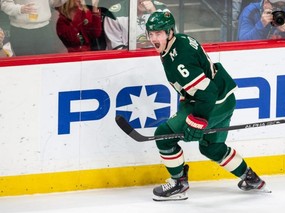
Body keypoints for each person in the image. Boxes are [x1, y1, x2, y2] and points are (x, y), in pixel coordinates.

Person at [145, 11, 268, 201]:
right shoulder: (180, 40)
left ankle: (178, 182)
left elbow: (207, 92)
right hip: (224, 98)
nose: (154, 38)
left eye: (159, 33)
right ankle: (251, 178)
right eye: (151, 34)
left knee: (163, 136)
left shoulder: (179, 59)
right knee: (211, 147)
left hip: (213, 103)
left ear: (170, 32)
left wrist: (198, 119)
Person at [0, 0, 68, 56]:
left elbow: (52, 2)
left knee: (45, 64)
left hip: (44, 30)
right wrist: (20, 9)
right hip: (21, 31)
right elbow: (4, 4)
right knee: (24, 65)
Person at [104, 0, 169, 50]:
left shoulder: (162, 9)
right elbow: (116, 49)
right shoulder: (114, 14)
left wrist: (154, 13)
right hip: (128, 62)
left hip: (157, 59)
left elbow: (170, 41)